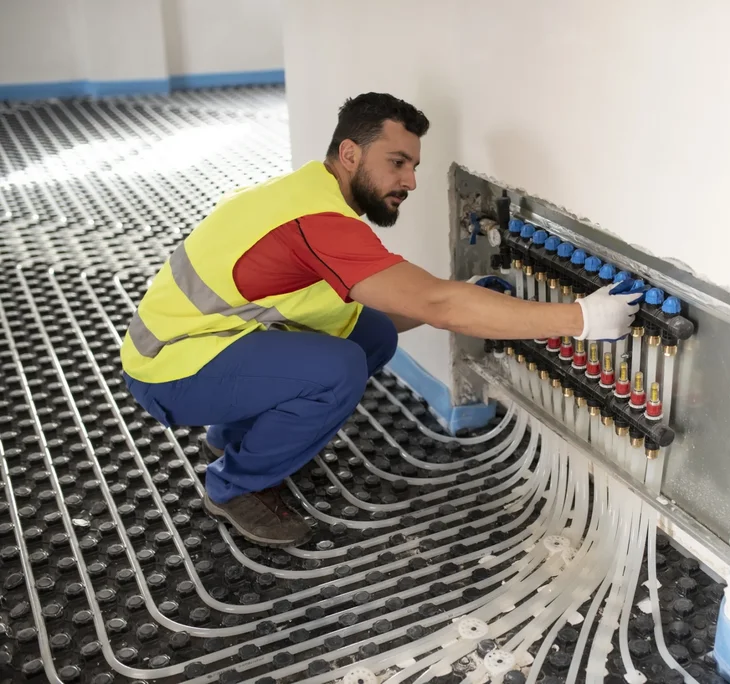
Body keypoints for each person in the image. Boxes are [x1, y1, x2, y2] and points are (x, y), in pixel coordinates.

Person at [120, 92, 639, 548]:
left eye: (412, 166)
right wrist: (580, 318)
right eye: (397, 163)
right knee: (338, 370)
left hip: (209, 342)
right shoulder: (320, 223)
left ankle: (231, 431)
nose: (410, 181)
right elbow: (436, 302)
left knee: (373, 335)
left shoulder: (312, 195)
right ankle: (233, 485)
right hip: (168, 369)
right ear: (350, 153)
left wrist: (469, 299)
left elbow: (412, 308)